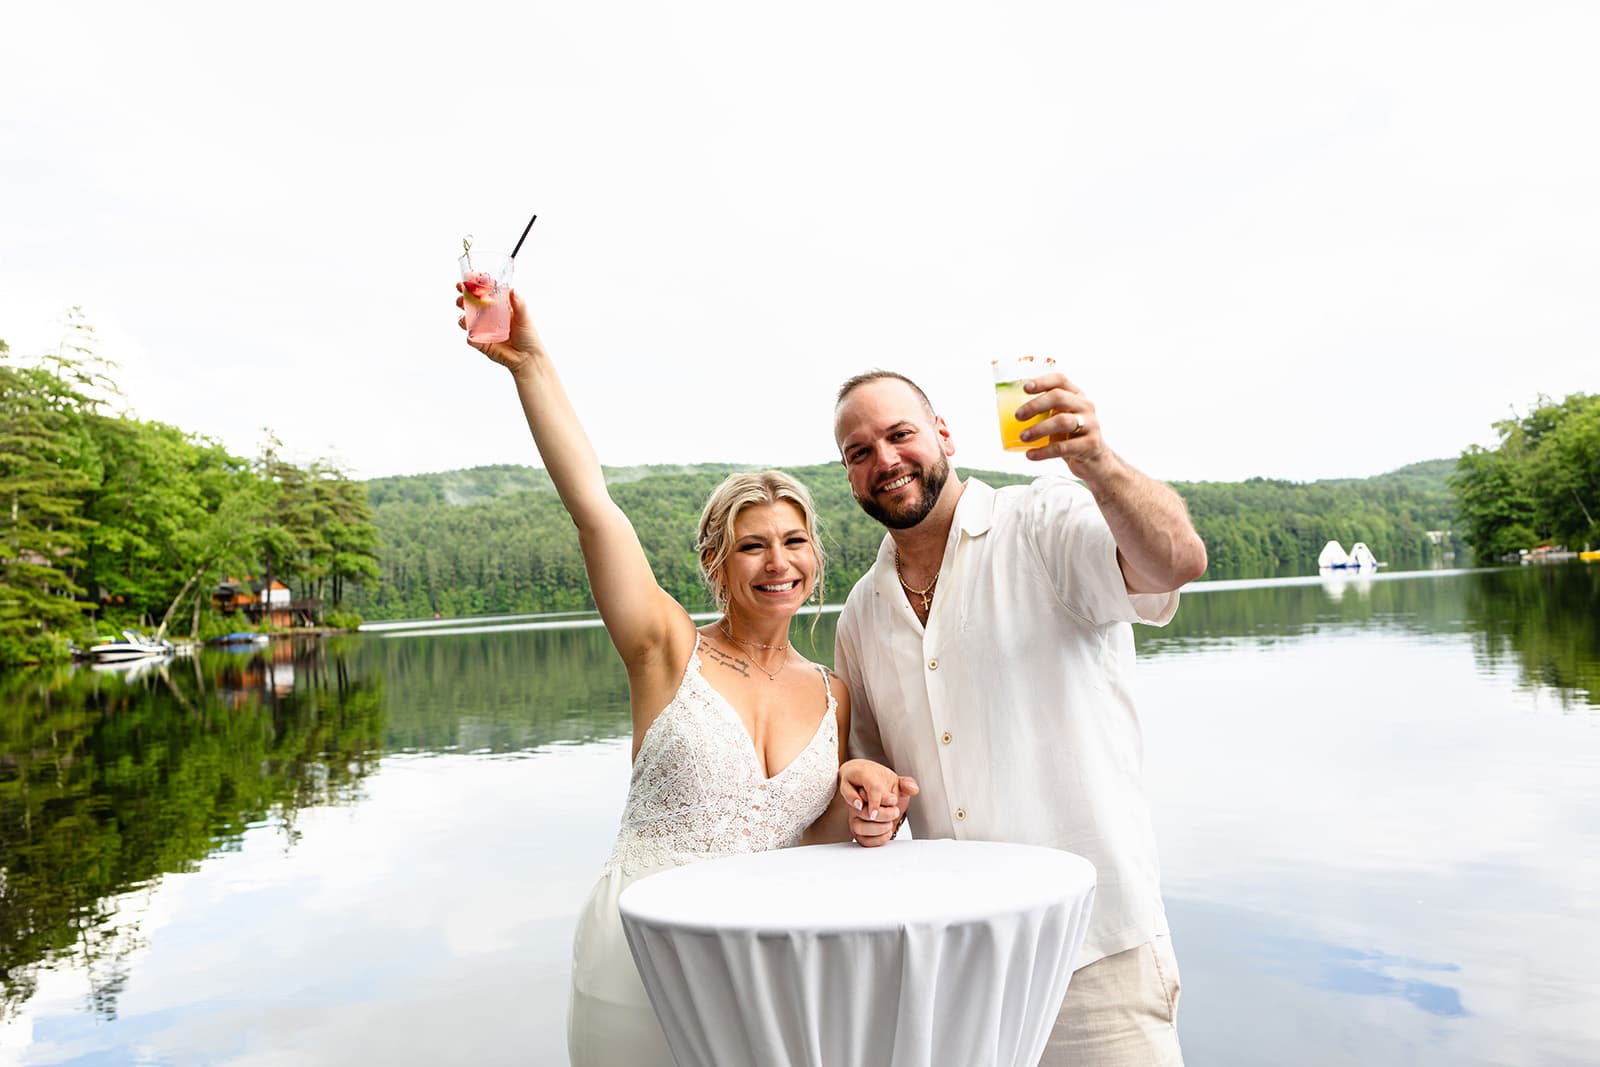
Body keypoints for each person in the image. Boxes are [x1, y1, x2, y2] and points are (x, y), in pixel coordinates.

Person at [455, 288, 916, 1066]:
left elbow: (815, 836)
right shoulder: (666, 649)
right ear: (715, 563)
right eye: (752, 545)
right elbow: (595, 508)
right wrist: (529, 364)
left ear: (815, 557)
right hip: (641, 947)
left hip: (765, 957)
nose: (779, 563)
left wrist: (868, 803)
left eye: (794, 540)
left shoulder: (834, 690)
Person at [832, 368, 1207, 1065]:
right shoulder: (860, 611)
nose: (884, 459)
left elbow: (1176, 561)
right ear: (849, 475)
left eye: (900, 433)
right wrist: (869, 798)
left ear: (943, 434)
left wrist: (1094, 460)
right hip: (963, 967)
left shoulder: (1042, 523)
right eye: (859, 451)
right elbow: (866, 769)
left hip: (1095, 950)